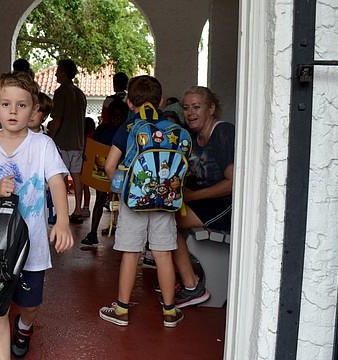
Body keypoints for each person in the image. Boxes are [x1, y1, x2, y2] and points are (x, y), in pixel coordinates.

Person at [0, 71, 74, 360]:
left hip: (31, 244)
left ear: (34, 110)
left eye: (22, 105)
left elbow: (57, 181)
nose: (13, 111)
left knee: (30, 304)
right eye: (6, 104)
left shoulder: (42, 145)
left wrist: (62, 220)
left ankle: (24, 326)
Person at [98, 75, 189, 328]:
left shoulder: (127, 129)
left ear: (129, 102)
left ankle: (121, 310)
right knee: (162, 255)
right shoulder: (172, 129)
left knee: (131, 254)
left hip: (133, 201)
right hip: (165, 202)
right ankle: (170, 312)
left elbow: (109, 166)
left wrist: (121, 187)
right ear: (160, 100)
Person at [171, 86, 233, 308]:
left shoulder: (223, 132)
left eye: (196, 107)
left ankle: (191, 286)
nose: (190, 113)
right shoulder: (194, 138)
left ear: (211, 108)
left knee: (166, 224)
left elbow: (232, 183)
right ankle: (182, 279)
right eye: (186, 108)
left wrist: (193, 197)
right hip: (206, 202)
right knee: (160, 218)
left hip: (226, 205)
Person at [81, 100, 128, 245]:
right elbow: (92, 147)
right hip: (101, 173)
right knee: (100, 200)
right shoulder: (102, 130)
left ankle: (122, 233)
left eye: (120, 117)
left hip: (120, 173)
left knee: (122, 203)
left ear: (125, 117)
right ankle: (92, 232)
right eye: (114, 116)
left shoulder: (127, 130)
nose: (117, 119)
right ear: (109, 116)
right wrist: (87, 155)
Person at [49, 59, 88, 224]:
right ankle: (78, 210)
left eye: (58, 71)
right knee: (76, 176)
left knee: (62, 177)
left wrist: (49, 137)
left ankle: (62, 212)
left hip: (63, 142)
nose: (56, 74)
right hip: (78, 142)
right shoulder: (80, 94)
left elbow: (57, 118)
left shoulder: (61, 92)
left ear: (64, 73)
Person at [81, 116, 97, 217]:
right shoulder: (94, 135)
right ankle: (86, 207)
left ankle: (86, 206)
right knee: (86, 186)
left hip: (85, 162)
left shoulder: (83, 136)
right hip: (92, 163)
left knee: (85, 186)